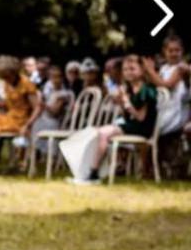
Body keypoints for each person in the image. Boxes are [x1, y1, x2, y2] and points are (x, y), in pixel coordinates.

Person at [68, 54, 158, 185]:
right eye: (126, 70)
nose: (128, 72)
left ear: (142, 70)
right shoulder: (129, 89)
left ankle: (93, 174)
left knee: (103, 133)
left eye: (132, 69)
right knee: (95, 132)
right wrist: (120, 102)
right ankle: (89, 171)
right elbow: (126, 115)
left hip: (142, 128)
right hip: (131, 124)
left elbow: (141, 117)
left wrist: (127, 103)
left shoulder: (147, 90)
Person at [144, 34, 188, 179]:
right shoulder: (164, 68)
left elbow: (167, 85)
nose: (174, 53)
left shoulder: (182, 68)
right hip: (164, 110)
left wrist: (150, 71)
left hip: (177, 113)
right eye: (171, 50)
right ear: (164, 51)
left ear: (182, 51)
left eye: (177, 50)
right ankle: (149, 169)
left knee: (154, 128)